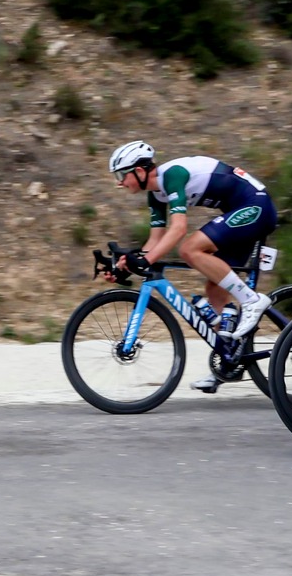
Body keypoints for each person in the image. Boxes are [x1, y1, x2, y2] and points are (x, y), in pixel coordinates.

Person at [106, 141, 277, 392]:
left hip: (256, 206)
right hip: (239, 212)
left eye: (122, 175)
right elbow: (155, 241)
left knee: (189, 249)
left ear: (140, 171)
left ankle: (251, 300)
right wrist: (125, 264)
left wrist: (146, 259)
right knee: (214, 289)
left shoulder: (172, 176)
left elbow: (178, 229)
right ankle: (228, 362)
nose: (120, 183)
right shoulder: (155, 194)